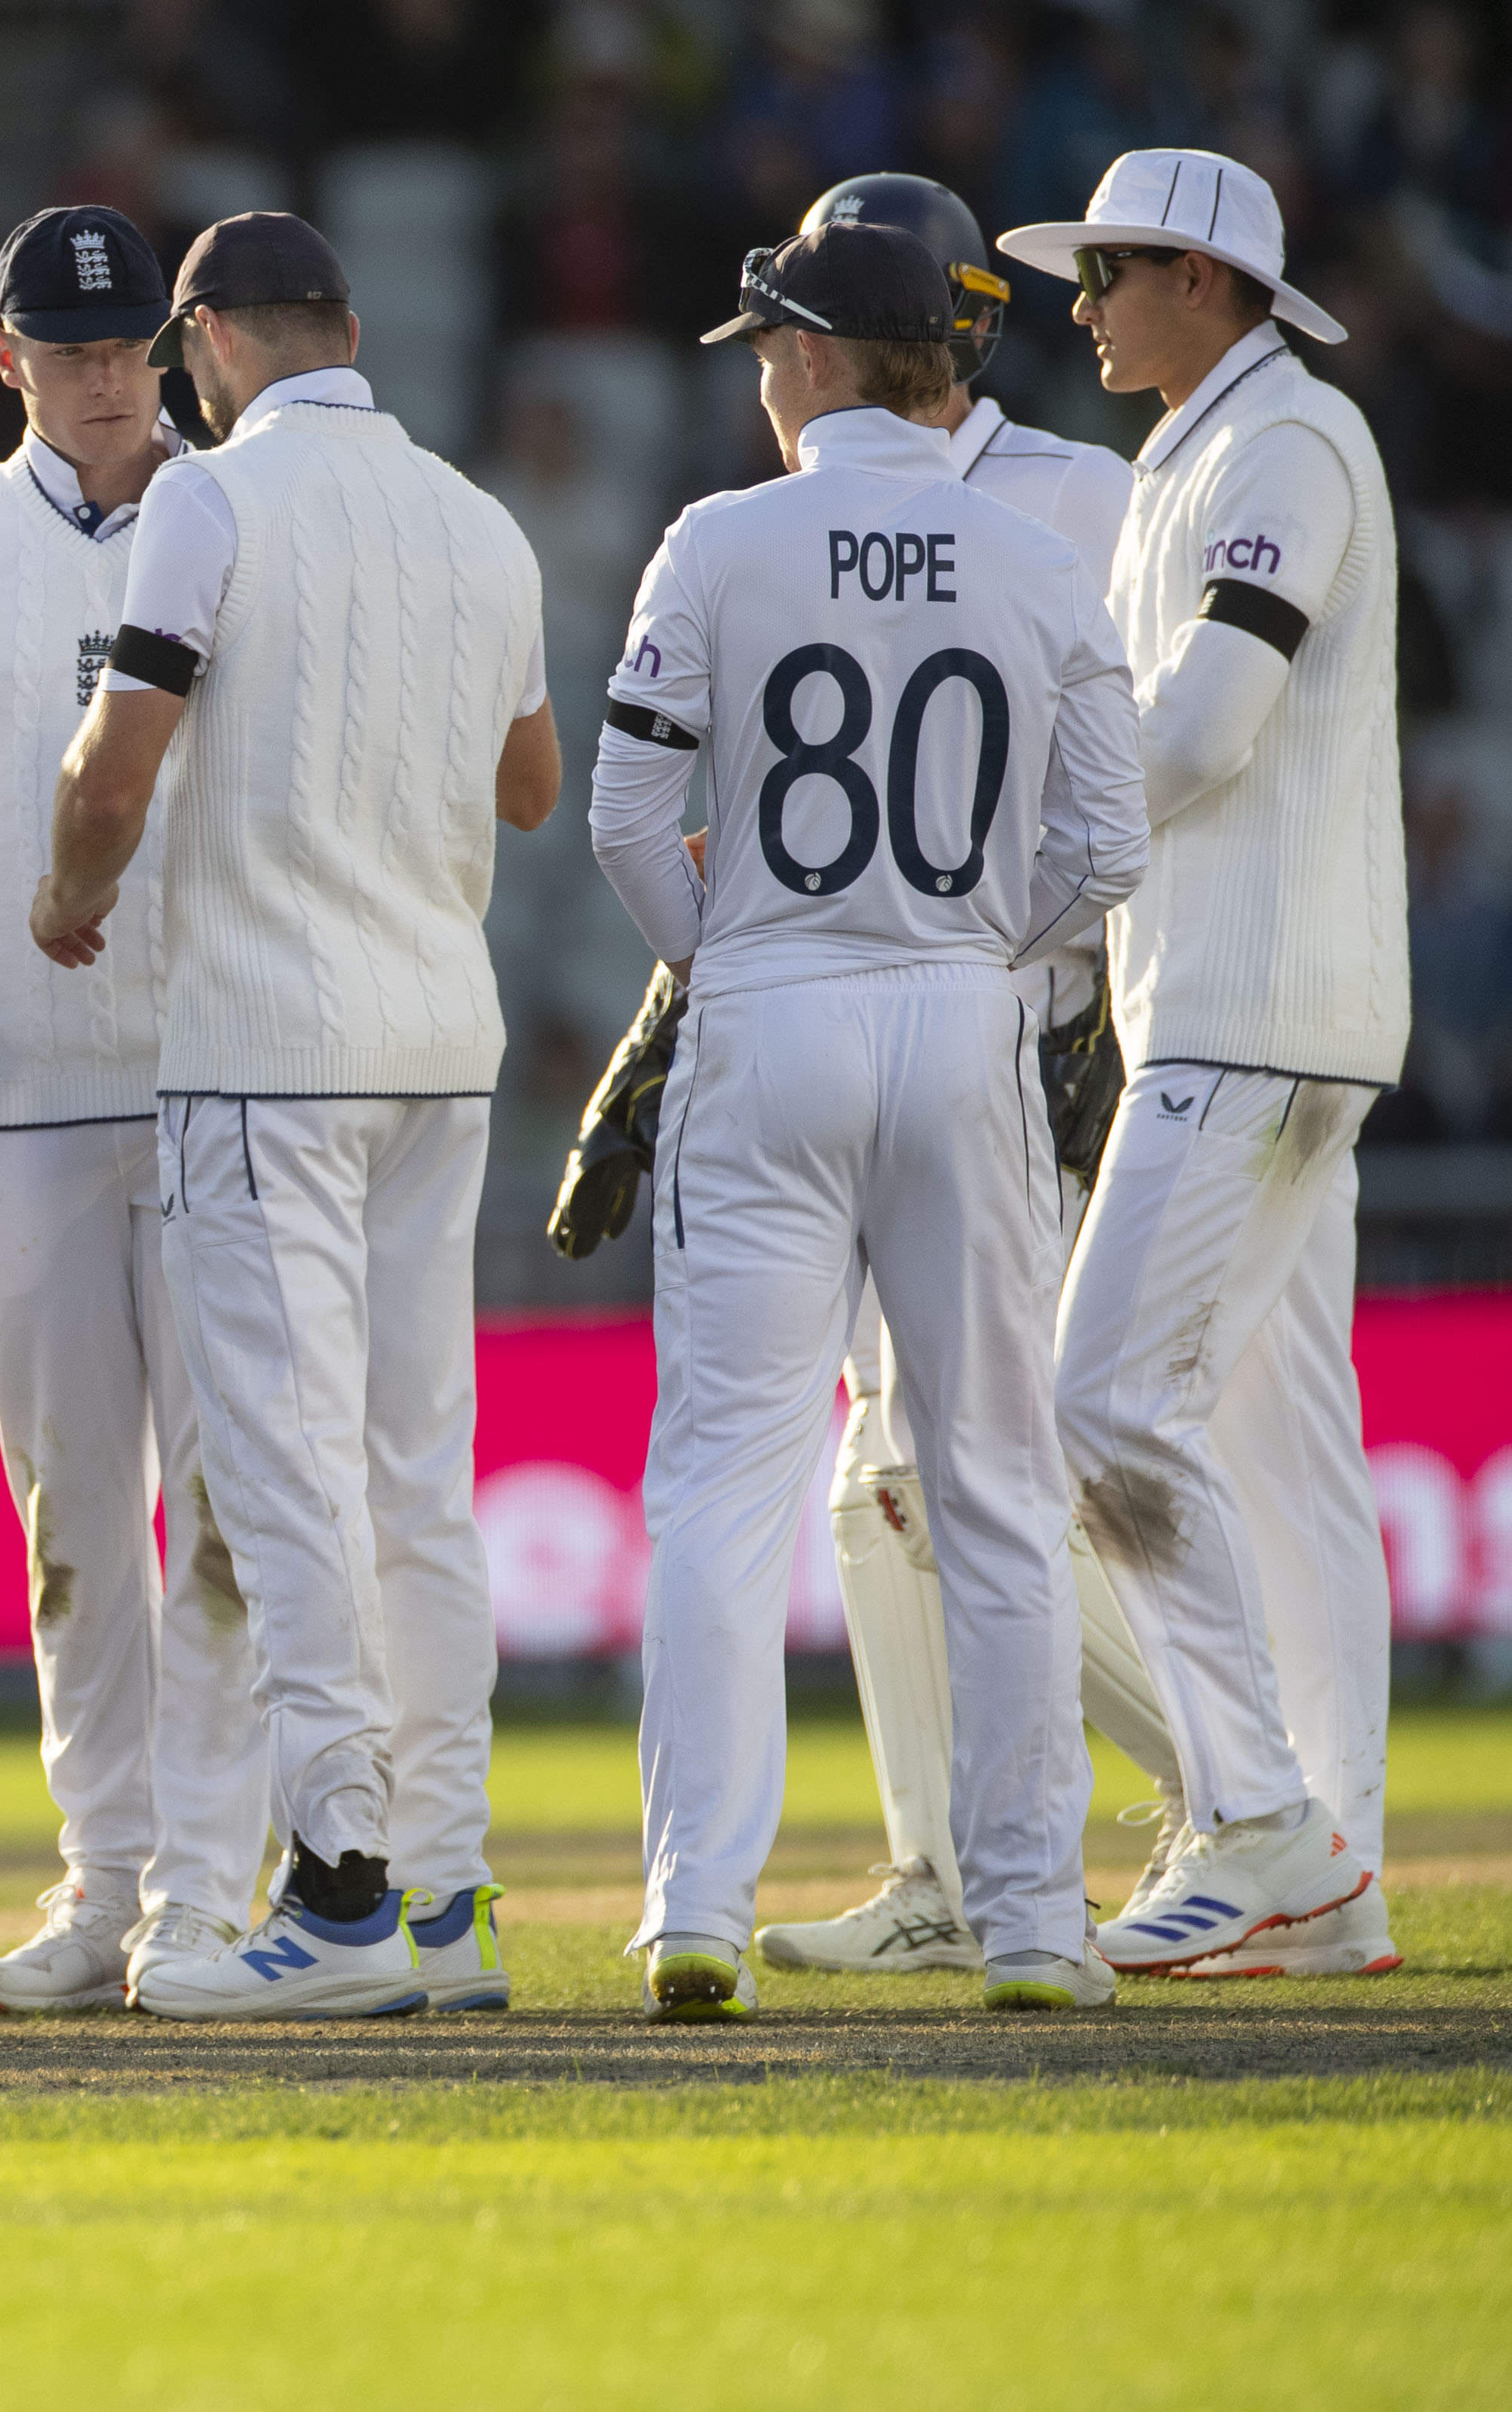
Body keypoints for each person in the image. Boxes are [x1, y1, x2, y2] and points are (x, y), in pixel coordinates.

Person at [593, 219, 1147, 2020]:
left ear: (824, 360)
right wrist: (993, 948)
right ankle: (1033, 1921)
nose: (755, 378)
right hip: (958, 1013)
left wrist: (734, 954)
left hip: (770, 1011)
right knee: (992, 1488)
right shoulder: (1030, 550)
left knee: (721, 1486)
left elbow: (619, 817)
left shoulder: (716, 539)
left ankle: (693, 1901)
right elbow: (1113, 849)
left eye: (767, 349)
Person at [30, 211, 553, 2022]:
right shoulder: (477, 521)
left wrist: (61, 888)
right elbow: (531, 780)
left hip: (268, 1039)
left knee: (279, 1472)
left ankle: (333, 1887)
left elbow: (117, 755)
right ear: (344, 322)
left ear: (202, 347)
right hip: (437, 1038)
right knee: (416, 1471)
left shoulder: (208, 499)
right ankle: (448, 1896)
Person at [723, 172, 1187, 1981]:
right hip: (866, 1034)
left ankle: (1239, 1791)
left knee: (962, 1462)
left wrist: (1059, 975)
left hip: (1025, 1042)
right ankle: (939, 1867)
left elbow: (1132, 781)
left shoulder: (1080, 492)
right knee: (880, 1473)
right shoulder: (813, 501)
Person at [0, 204, 271, 2015]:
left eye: (126, 346)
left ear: (166, 350)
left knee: (231, 1496)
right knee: (70, 1514)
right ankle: (104, 1882)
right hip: (15, 1093)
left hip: (225, 1066)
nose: (101, 377)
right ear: (1, 355)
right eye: (63, 347)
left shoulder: (244, 510)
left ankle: (205, 1888)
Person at [1002, 149, 1403, 1979]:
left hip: (1247, 1008)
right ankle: (1334, 1854)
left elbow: (1203, 732)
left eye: (1104, 274)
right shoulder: (1208, 449)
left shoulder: (1284, 446)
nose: (1077, 306)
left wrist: (1018, 871)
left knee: (1097, 1406)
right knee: (1283, 1444)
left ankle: (1260, 1826)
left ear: (1206, 281)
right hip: (1254, 1005)